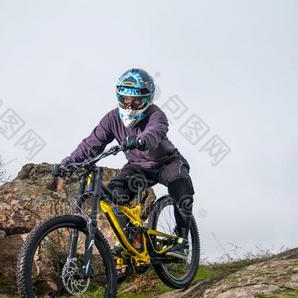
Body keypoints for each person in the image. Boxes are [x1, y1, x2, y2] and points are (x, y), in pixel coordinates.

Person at [52, 68, 195, 257]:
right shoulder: (112, 119)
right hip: (137, 167)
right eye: (125, 100)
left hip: (166, 163)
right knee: (114, 196)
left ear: (148, 99)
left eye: (137, 101)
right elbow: (91, 145)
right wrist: (68, 163)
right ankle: (132, 242)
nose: (130, 106)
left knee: (181, 186)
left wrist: (141, 140)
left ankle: (182, 242)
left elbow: (154, 132)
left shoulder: (156, 115)